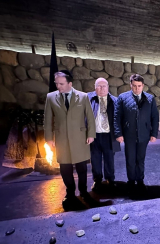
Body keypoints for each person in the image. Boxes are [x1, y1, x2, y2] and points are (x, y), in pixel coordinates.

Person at [44, 70, 98, 209]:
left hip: (80, 139)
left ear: (70, 83)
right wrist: (49, 138)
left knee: (82, 169)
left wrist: (91, 134)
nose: (59, 86)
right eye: (57, 84)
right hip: (62, 140)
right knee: (65, 169)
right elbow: (48, 119)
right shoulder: (50, 97)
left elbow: (90, 117)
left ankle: (84, 192)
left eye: (61, 84)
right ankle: (70, 193)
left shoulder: (83, 96)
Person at [114, 74, 159, 190]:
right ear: (130, 85)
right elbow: (117, 117)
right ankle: (131, 180)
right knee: (130, 159)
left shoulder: (150, 99)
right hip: (129, 135)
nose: (137, 88)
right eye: (134, 86)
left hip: (144, 135)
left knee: (140, 159)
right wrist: (118, 133)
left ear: (143, 86)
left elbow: (155, 117)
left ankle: (140, 180)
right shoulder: (123, 98)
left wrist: (154, 133)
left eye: (139, 86)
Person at [88, 78, 120, 192]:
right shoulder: (88, 99)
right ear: (95, 87)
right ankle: (97, 180)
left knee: (109, 158)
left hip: (109, 135)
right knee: (95, 158)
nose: (101, 88)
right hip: (94, 135)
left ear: (108, 87)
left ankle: (110, 179)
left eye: (104, 86)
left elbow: (119, 119)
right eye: (99, 86)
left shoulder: (115, 100)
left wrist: (119, 134)